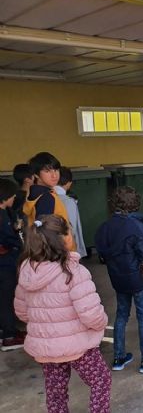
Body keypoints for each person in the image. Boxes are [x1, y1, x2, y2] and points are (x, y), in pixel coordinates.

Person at [14, 215, 110, 412]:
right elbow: (91, 314)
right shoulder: (73, 271)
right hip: (78, 346)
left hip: (46, 348)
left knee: (55, 392)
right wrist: (100, 324)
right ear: (65, 239)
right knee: (100, 380)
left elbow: (22, 312)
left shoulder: (26, 272)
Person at [95, 186, 143, 373]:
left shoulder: (105, 227)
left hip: (117, 279)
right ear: (136, 204)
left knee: (121, 315)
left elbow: (101, 252)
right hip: (138, 279)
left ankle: (119, 357)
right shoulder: (137, 227)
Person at [0, 179, 25, 351]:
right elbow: (7, 239)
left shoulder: (5, 214)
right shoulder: (1, 216)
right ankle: (9, 335)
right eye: (12, 195)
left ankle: (6, 330)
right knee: (6, 298)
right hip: (4, 262)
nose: (14, 198)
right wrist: (18, 242)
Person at [23, 152, 69, 226]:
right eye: (47, 171)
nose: (54, 175)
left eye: (56, 170)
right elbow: (46, 232)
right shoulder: (47, 197)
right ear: (36, 174)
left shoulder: (33, 193)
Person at [55, 167, 87, 257]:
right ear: (69, 183)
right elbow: (72, 227)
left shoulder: (47, 197)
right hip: (68, 248)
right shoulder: (68, 201)